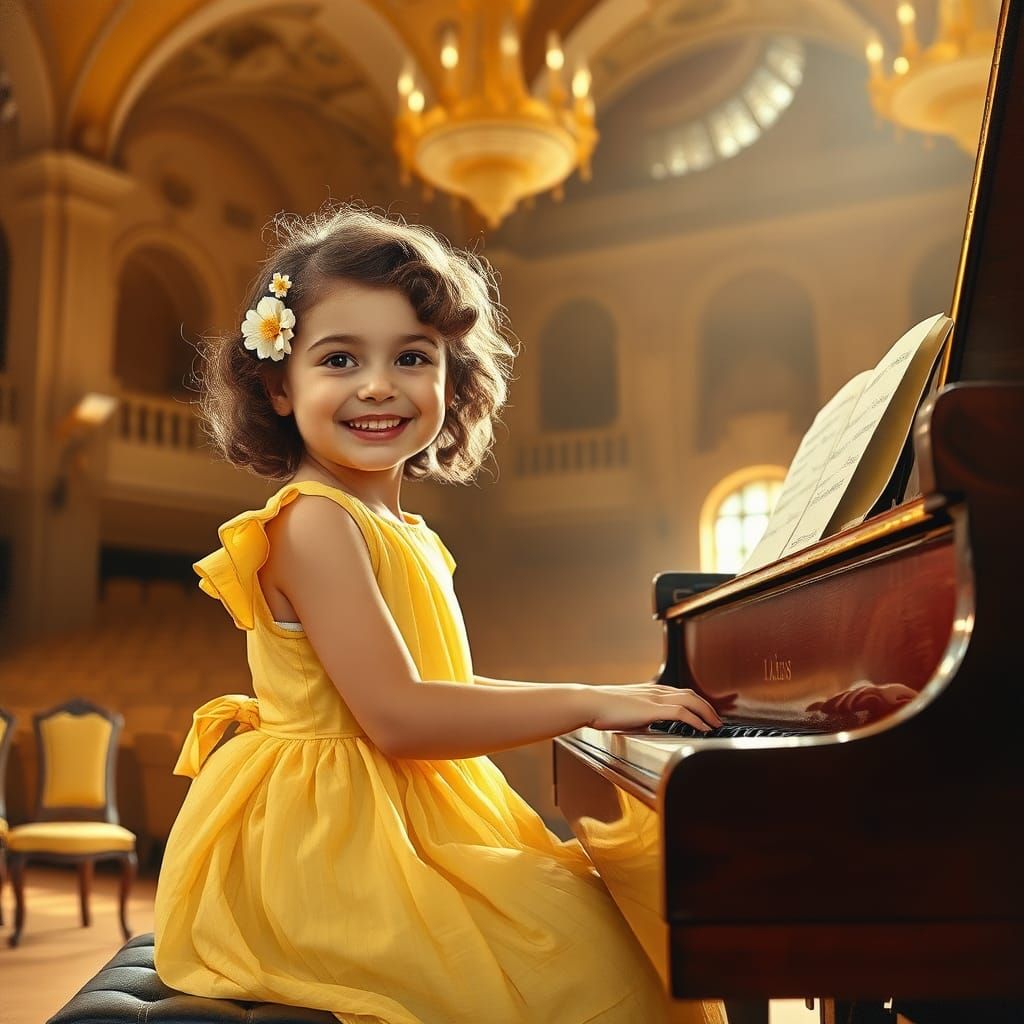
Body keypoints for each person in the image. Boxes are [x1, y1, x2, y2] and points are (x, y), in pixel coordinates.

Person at [153, 201, 726, 1024]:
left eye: (412, 357)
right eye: (340, 358)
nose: (379, 385)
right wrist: (595, 700)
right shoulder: (313, 520)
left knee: (609, 927)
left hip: (406, 811)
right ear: (280, 385)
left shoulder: (404, 528)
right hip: (325, 851)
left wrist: (602, 695)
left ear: (451, 378)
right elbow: (400, 717)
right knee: (587, 967)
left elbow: (439, 682)